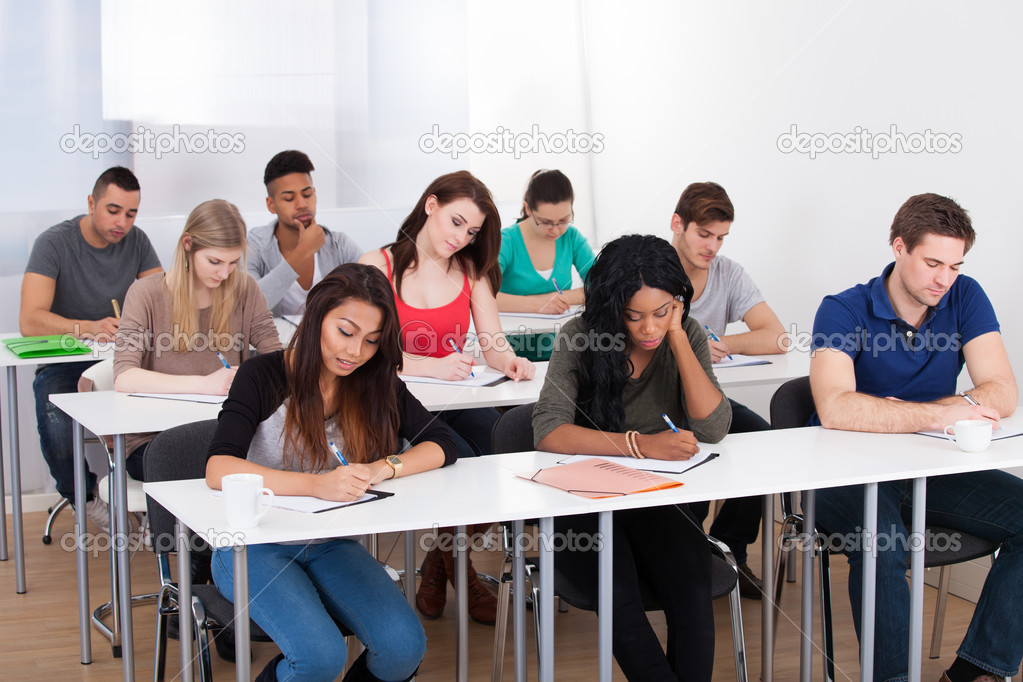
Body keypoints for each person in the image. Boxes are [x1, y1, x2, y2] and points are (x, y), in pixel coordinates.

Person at [206, 263, 458, 682]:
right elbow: (219, 467)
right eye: (346, 331)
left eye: (372, 341)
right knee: (319, 657)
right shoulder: (263, 375)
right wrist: (316, 486)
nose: (356, 352)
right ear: (316, 317)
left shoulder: (374, 381)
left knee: (403, 648)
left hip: (330, 544)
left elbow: (445, 444)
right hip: (254, 544)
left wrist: (383, 467)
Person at [809, 193, 1022, 682]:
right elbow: (836, 407)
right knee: (885, 545)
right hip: (845, 471)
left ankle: (975, 672)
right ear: (898, 246)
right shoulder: (842, 310)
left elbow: (1003, 392)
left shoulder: (965, 296)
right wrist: (948, 413)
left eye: (954, 265)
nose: (944, 279)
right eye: (932, 263)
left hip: (930, 466)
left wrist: (909, 414)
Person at [533, 234, 732, 681]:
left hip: (659, 499)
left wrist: (678, 337)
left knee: (692, 591)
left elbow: (714, 427)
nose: (648, 329)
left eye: (661, 313)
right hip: (585, 503)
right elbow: (548, 431)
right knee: (619, 600)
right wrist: (641, 444)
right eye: (634, 315)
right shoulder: (580, 337)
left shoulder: (686, 334)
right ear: (611, 308)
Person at [360, 170, 535, 625]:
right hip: (393, 407)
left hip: (455, 401)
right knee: (455, 456)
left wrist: (510, 362)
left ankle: (442, 560)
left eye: (472, 231)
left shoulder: (471, 272)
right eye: (456, 222)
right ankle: (462, 572)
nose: (461, 238)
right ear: (430, 205)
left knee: (499, 456)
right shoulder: (377, 266)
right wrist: (427, 366)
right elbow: (357, 352)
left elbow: (493, 343)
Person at [20, 166, 162, 531]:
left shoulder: (138, 242)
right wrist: (88, 328)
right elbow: (30, 321)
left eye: (131, 213)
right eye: (113, 210)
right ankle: (83, 498)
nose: (123, 222)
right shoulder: (54, 243)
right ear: (91, 203)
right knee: (54, 416)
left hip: (120, 358)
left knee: (162, 407)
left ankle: (153, 504)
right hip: (66, 360)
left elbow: (164, 302)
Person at [670, 181, 788, 597]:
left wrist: (723, 344)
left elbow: (777, 337)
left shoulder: (727, 273)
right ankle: (686, 556)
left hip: (706, 400)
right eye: (704, 234)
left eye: (721, 237)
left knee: (762, 442)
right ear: (677, 224)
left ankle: (728, 550)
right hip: (657, 403)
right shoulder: (651, 268)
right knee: (694, 452)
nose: (713, 247)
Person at [114, 199, 282, 481]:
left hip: (224, 435)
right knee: (213, 471)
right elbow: (124, 377)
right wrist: (205, 385)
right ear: (188, 244)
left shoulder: (245, 289)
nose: (224, 273)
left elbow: (277, 361)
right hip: (155, 439)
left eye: (232, 262)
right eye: (214, 262)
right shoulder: (145, 294)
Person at [248, 150, 362, 316]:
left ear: (314, 194)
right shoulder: (255, 245)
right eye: (289, 198)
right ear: (271, 205)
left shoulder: (339, 245)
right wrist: (303, 251)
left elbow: (374, 292)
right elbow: (248, 307)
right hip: (277, 342)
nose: (302, 204)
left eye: (307, 194)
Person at [497, 169, 595, 361]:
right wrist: (539, 304)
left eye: (564, 220)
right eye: (546, 222)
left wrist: (558, 297)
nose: (556, 229)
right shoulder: (505, 242)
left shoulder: (572, 238)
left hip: (561, 351)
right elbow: (482, 297)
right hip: (507, 351)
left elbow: (602, 286)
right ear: (527, 209)